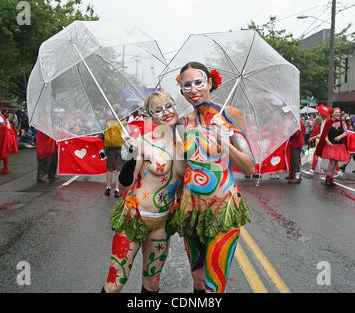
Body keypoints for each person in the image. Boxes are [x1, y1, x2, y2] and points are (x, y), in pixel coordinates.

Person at [173, 62, 254, 293]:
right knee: (197, 278)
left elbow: (249, 167)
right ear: (181, 90)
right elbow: (182, 167)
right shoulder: (184, 122)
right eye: (186, 85)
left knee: (214, 285)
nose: (193, 90)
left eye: (198, 83)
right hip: (191, 211)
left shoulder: (231, 115)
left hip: (222, 209)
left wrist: (224, 139)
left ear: (209, 83)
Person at [102, 91, 185, 293]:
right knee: (115, 283)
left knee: (152, 284)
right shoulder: (144, 143)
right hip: (134, 219)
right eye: (158, 110)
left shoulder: (185, 146)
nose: (165, 112)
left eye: (169, 106)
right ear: (151, 116)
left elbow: (183, 190)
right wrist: (130, 158)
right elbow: (124, 187)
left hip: (162, 224)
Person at [315, 107, 350, 187]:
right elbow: (325, 134)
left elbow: (346, 132)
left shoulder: (342, 122)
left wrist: (340, 137)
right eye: (336, 112)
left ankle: (330, 178)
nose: (338, 114)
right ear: (332, 114)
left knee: (335, 161)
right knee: (332, 161)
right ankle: (328, 176)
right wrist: (328, 142)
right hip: (331, 144)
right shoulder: (329, 122)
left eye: (339, 112)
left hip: (339, 144)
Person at [0, 110, 18, 174]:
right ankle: (5, 168)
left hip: (1, 137)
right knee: (4, 152)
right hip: (7, 136)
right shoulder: (4, 119)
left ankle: (3, 168)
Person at [104, 118, 125, 198]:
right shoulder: (122, 123)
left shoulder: (108, 123)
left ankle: (108, 188)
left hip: (110, 148)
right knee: (119, 169)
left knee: (110, 169)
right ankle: (117, 190)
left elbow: (104, 135)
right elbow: (126, 135)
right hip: (120, 147)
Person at [286, 119, 305, 184]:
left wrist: (287, 132)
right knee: (294, 159)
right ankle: (293, 174)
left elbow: (295, 134)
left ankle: (297, 177)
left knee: (295, 160)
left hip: (296, 143)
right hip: (298, 142)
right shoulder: (299, 120)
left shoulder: (296, 121)